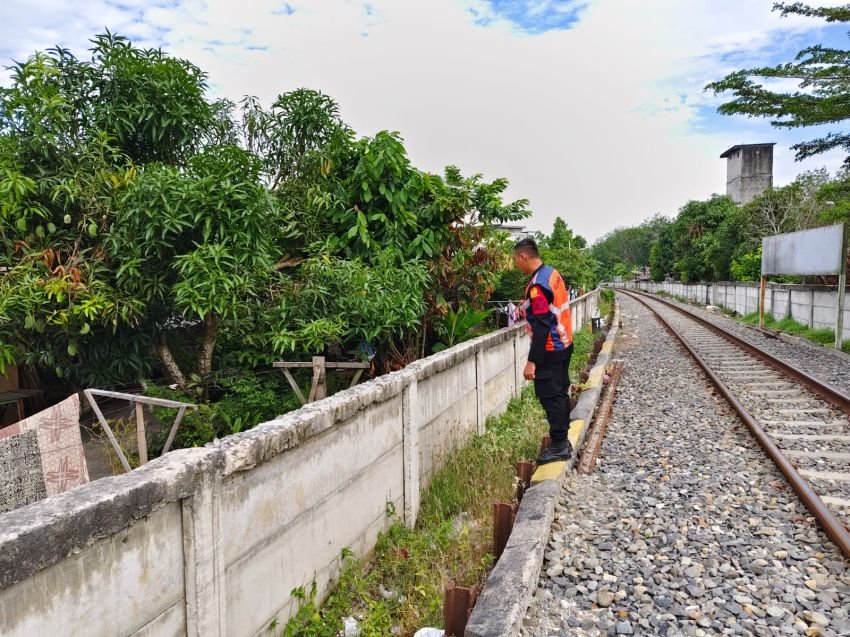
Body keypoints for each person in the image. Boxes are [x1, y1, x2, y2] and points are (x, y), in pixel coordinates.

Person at [514, 238, 573, 464]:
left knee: (551, 396)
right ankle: (562, 440)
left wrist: (532, 361)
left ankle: (559, 445)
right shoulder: (551, 274)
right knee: (560, 393)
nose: (516, 265)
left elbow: (541, 326)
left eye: (516, 260)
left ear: (523, 256)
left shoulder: (538, 286)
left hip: (550, 348)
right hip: (564, 343)